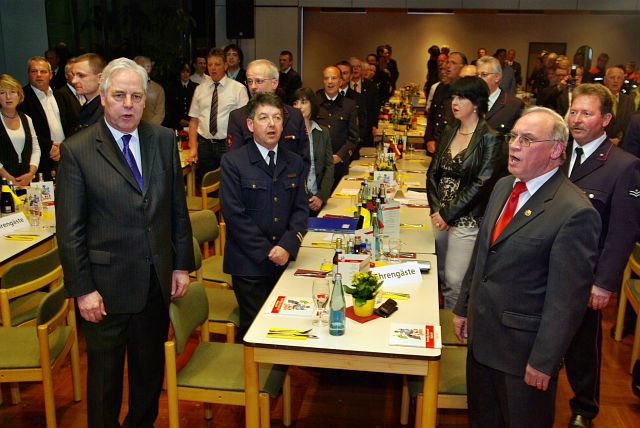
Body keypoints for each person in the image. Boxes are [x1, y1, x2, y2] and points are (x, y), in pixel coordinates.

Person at [56, 57, 194, 428]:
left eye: (137, 96)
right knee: (105, 383)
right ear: (103, 97)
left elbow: (176, 208)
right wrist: (83, 289)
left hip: (154, 282)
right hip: (104, 290)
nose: (129, 104)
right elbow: (69, 231)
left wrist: (181, 264)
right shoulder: (78, 150)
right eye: (119, 95)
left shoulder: (162, 139)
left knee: (149, 376)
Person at [453, 107, 601, 428]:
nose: (514, 145)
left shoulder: (574, 212)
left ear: (556, 150)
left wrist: (544, 361)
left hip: (522, 356)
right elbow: (482, 255)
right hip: (482, 341)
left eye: (527, 139)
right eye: (513, 136)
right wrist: (464, 307)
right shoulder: (504, 186)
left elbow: (567, 301)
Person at [562, 83, 640, 428]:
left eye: (586, 113)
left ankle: (584, 408)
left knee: (582, 346)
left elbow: (623, 231)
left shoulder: (623, 166)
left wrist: (604, 283)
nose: (577, 120)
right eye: (573, 112)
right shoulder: (556, 151)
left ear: (606, 119)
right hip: (543, 266)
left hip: (584, 273)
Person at [221, 93, 308, 335]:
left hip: (286, 260)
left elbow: (300, 209)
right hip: (249, 265)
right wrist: (268, 251)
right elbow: (234, 215)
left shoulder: (294, 162)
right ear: (250, 125)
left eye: (277, 118)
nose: (272, 124)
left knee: (289, 327)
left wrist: (287, 246)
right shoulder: (233, 162)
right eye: (264, 118)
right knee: (258, 331)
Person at [426, 76, 501, 308]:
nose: (454, 103)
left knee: (455, 280)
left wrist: (448, 213)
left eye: (462, 98)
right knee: (438, 273)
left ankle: (454, 325)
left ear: (476, 103)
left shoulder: (490, 137)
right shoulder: (449, 130)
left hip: (467, 218)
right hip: (440, 215)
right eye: (453, 97)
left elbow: (482, 183)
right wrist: (437, 209)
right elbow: (432, 173)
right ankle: (440, 318)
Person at [227, 59, 309, 175]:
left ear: (274, 83)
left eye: (259, 81)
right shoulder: (238, 117)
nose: (253, 86)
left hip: (288, 181)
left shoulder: (294, 115)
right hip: (252, 182)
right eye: (249, 81)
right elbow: (235, 161)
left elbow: (303, 158)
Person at [186, 47, 249, 181]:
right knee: (206, 184)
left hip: (228, 145)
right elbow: (194, 121)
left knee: (230, 184)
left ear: (225, 66)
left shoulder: (238, 89)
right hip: (205, 145)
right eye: (210, 65)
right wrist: (193, 147)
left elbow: (245, 122)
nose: (213, 68)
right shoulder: (200, 89)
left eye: (217, 64)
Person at [18, 56, 74, 179]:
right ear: (28, 74)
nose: (39, 75)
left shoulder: (61, 95)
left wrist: (64, 147)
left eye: (43, 71)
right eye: (34, 71)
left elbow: (72, 124)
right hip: (40, 159)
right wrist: (50, 146)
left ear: (50, 75)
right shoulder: (21, 98)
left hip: (66, 154)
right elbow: (24, 131)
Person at [291, 87, 334, 215]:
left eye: (303, 102)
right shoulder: (287, 134)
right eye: (295, 103)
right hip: (296, 200)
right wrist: (309, 197)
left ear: (312, 105)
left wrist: (321, 196)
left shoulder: (323, 132)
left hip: (319, 198)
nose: (299, 107)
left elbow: (329, 166)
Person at [315, 65, 359, 188]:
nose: (330, 82)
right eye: (326, 78)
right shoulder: (315, 103)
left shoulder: (349, 105)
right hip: (318, 166)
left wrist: (340, 155)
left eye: (334, 78)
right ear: (323, 81)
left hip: (339, 165)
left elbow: (353, 137)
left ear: (340, 81)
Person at [0, 74, 40, 185]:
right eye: (2, 93)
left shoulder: (27, 119)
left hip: (26, 180)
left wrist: (31, 173)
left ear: (19, 95)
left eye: (12, 92)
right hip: (3, 182)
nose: (8, 97)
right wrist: (7, 177)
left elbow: (36, 149)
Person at [424, 51, 467, 154]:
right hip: (435, 145)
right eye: (448, 62)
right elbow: (432, 116)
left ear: (463, 67)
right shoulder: (441, 87)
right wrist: (429, 139)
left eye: (453, 63)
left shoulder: (466, 91)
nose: (448, 66)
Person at [71, 53, 106, 133]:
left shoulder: (106, 111)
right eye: (73, 75)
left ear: (100, 78)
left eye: (81, 75)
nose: (74, 81)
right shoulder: (89, 105)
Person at [603, 66, 634, 144]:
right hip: (600, 144)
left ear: (622, 81)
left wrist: (619, 139)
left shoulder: (629, 100)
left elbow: (630, 123)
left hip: (621, 145)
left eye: (619, 78)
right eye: (612, 78)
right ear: (605, 80)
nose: (616, 81)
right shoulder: (597, 98)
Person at [133, 56, 165, 125]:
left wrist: (149, 128)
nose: (134, 69)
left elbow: (160, 114)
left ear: (148, 68)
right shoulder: (126, 86)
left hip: (151, 128)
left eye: (139, 67)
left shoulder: (158, 89)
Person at [166, 62, 197, 130]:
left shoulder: (196, 87)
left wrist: (191, 121)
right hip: (177, 124)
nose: (185, 74)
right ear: (179, 73)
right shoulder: (173, 88)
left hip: (192, 123)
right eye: (183, 72)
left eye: (187, 72)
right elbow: (170, 107)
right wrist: (179, 119)